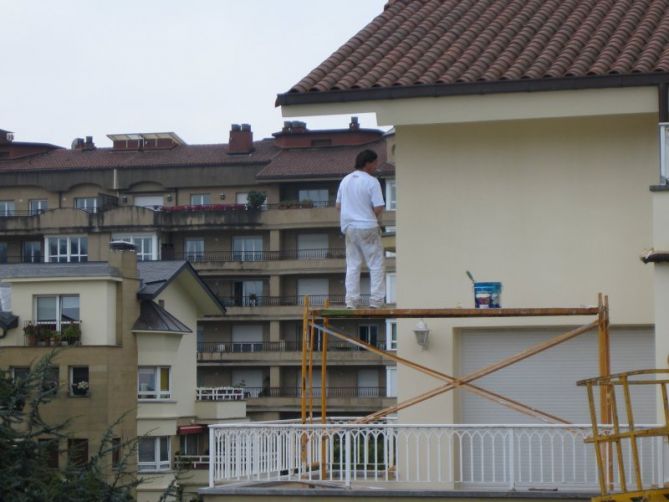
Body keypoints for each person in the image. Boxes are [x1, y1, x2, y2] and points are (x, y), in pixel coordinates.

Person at [336, 149, 385, 309]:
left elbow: (338, 205)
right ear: (368, 163)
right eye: (375, 162)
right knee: (375, 262)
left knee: (353, 264)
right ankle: (377, 301)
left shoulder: (345, 180)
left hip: (349, 226)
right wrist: (367, 214)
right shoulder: (371, 181)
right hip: (367, 226)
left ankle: (351, 301)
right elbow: (378, 206)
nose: (376, 166)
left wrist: (351, 214)